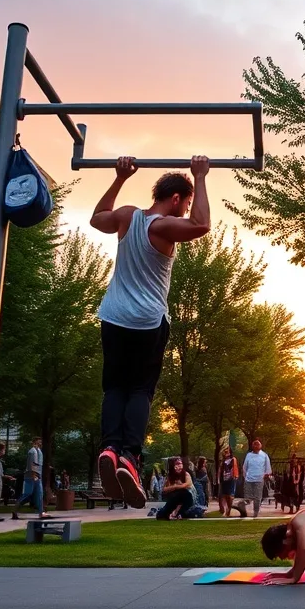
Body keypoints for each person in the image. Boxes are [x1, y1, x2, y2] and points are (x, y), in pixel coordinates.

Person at [91, 155, 212, 509]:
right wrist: (200, 177)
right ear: (176, 199)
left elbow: (97, 218)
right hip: (146, 322)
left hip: (113, 317)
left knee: (114, 387)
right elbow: (202, 225)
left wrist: (119, 179)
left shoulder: (128, 216)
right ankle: (129, 455)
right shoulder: (161, 226)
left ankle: (110, 448)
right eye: (185, 203)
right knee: (140, 389)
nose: (186, 210)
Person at [12, 437, 50, 520]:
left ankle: (41, 512)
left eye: (40, 442)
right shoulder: (32, 452)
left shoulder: (38, 451)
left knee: (40, 494)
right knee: (27, 494)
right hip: (31, 476)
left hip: (37, 475)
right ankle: (15, 510)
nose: (40, 443)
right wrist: (33, 474)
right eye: (38, 442)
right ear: (34, 442)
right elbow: (31, 464)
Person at [234, 440, 271, 518]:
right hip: (249, 480)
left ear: (260, 446)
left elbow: (268, 468)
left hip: (259, 479)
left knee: (257, 498)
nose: (256, 446)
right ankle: (241, 505)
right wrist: (245, 476)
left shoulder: (264, 455)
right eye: (254, 444)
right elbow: (245, 467)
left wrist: (266, 475)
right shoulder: (249, 455)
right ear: (252, 446)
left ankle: (255, 513)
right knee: (248, 498)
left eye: (258, 444)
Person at [217, 446, 239, 516]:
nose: (226, 452)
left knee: (230, 495)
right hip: (223, 479)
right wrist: (218, 479)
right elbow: (220, 470)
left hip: (231, 479)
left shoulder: (233, 459)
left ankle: (229, 509)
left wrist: (235, 476)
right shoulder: (222, 461)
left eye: (227, 450)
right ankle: (226, 509)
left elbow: (234, 468)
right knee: (224, 495)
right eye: (225, 451)